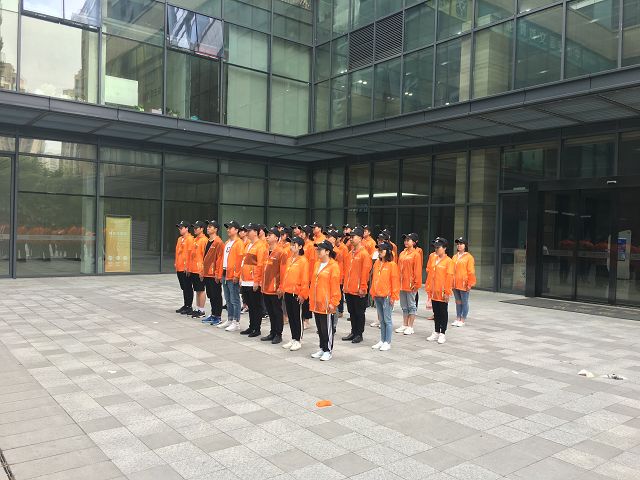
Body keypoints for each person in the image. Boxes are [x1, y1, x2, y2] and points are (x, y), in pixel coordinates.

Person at [309, 240, 341, 361]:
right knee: (320, 327)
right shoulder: (317, 264)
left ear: (327, 251)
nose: (318, 251)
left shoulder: (333, 266)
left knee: (327, 328)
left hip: (326, 303)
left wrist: (333, 302)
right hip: (316, 302)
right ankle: (322, 348)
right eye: (317, 249)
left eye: (320, 249)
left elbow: (335, 287)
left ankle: (328, 350)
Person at [342, 227, 372, 344]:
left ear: (360, 238)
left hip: (359, 289)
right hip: (349, 288)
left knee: (359, 313)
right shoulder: (350, 253)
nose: (351, 239)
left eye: (353, 236)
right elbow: (346, 271)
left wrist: (363, 287)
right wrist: (345, 285)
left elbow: (365, 273)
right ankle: (353, 332)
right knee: (352, 312)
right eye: (350, 237)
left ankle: (359, 334)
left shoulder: (364, 254)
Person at [280, 237, 309, 351]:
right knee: (291, 317)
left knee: (297, 317)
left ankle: (298, 340)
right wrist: (283, 288)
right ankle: (293, 338)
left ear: (300, 247)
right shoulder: (289, 259)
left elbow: (305, 279)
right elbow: (285, 276)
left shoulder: (303, 261)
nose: (292, 246)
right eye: (291, 244)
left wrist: (303, 294)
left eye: (294, 244)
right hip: (288, 291)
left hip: (297, 293)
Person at [370, 242, 399, 351]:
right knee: (381, 320)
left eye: (382, 250)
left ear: (388, 251)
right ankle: (382, 340)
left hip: (387, 296)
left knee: (387, 320)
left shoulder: (392, 265)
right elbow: (374, 278)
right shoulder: (377, 263)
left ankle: (387, 342)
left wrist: (393, 296)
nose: (379, 252)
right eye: (379, 250)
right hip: (377, 295)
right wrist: (373, 292)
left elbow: (395, 281)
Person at [239, 224, 267, 337]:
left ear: (255, 232)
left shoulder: (260, 246)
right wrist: (241, 277)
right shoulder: (248, 245)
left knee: (256, 306)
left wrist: (257, 281)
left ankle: (257, 328)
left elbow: (260, 265)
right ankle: (251, 326)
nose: (247, 232)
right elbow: (243, 262)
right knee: (250, 305)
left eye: (249, 230)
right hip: (245, 280)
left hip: (253, 281)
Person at [425, 237, 454, 344]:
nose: (436, 249)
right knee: (436, 312)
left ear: (444, 248)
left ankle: (442, 333)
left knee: (443, 312)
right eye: (435, 247)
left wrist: (447, 292)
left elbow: (449, 277)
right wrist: (429, 288)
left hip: (442, 291)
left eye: (438, 247)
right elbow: (430, 275)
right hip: (434, 291)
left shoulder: (449, 261)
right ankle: (436, 331)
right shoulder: (433, 259)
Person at [261, 227, 286, 344]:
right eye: (267, 235)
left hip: (275, 288)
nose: (267, 237)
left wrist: (281, 287)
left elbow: (283, 272)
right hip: (265, 287)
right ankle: (272, 332)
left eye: (270, 235)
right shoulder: (266, 251)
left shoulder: (281, 252)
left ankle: (278, 334)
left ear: (276, 238)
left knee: (277, 311)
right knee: (270, 311)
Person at [219, 221, 244, 332]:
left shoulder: (239, 243)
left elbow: (240, 260)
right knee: (228, 299)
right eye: (227, 228)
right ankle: (229, 319)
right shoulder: (227, 242)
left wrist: (237, 274)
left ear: (236, 230)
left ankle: (236, 321)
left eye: (230, 228)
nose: (228, 230)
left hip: (233, 275)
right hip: (225, 273)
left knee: (235, 299)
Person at [396, 233, 422, 335]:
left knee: (411, 305)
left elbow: (418, 270)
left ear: (414, 242)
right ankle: (405, 324)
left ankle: (410, 326)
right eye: (405, 240)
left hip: (410, 284)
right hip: (402, 283)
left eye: (408, 240)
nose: (406, 242)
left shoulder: (416, 254)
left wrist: (416, 283)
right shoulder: (402, 253)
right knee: (404, 305)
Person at [200, 220, 224, 325]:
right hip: (207, 273)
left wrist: (218, 274)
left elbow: (220, 259)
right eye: (208, 226)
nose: (208, 228)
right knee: (210, 295)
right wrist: (202, 272)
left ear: (216, 229)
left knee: (216, 295)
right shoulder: (207, 241)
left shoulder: (219, 242)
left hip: (214, 274)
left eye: (210, 226)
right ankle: (213, 314)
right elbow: (204, 259)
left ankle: (218, 316)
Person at [452, 237, 476, 327]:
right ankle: (458, 317)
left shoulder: (469, 257)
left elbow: (471, 271)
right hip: (455, 283)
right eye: (458, 244)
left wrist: (470, 283)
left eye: (461, 244)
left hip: (464, 283)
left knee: (464, 301)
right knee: (458, 301)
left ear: (465, 246)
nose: (459, 245)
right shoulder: (455, 256)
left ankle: (463, 319)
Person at [188, 220, 208, 319]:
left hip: (199, 269)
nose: (195, 229)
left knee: (201, 289)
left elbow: (205, 256)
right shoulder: (195, 239)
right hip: (193, 269)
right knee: (197, 290)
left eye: (197, 228)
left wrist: (203, 270)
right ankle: (198, 308)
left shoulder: (204, 240)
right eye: (194, 228)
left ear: (202, 229)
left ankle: (202, 310)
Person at [174, 220, 194, 315]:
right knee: (183, 287)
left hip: (185, 268)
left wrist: (188, 266)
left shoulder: (190, 239)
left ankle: (189, 306)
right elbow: (177, 253)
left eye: (181, 228)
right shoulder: (179, 239)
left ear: (187, 228)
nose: (180, 229)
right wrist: (176, 262)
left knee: (187, 287)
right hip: (179, 267)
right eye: (179, 228)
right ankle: (185, 305)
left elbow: (190, 254)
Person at [300, 225, 316, 329]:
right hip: (300, 274)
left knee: (306, 298)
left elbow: (312, 262)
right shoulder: (302, 244)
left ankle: (306, 320)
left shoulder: (310, 245)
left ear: (308, 234)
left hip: (307, 275)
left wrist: (309, 277)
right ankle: (302, 318)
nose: (301, 234)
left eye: (303, 232)